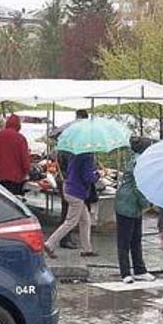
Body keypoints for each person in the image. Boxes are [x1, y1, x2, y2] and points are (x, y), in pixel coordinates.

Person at [44, 150, 99, 258]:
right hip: (77, 193)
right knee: (71, 222)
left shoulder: (75, 154)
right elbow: (88, 178)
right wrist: (97, 175)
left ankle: (87, 249)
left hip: (69, 188)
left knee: (85, 220)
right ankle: (49, 244)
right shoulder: (88, 156)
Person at [115, 138, 155, 284]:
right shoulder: (139, 163)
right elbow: (138, 186)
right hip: (127, 204)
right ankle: (125, 272)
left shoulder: (138, 160)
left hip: (133, 204)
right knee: (125, 240)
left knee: (136, 238)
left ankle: (139, 270)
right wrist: (147, 204)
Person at [56, 109, 89, 250]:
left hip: (65, 179)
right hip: (70, 181)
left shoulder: (67, 136)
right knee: (70, 215)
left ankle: (86, 247)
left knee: (80, 217)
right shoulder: (75, 143)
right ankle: (61, 240)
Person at [0, 114, 30, 195]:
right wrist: (27, 172)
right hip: (17, 178)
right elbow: (25, 158)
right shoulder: (20, 138)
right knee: (15, 201)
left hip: (1, 176)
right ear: (19, 125)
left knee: (2, 200)